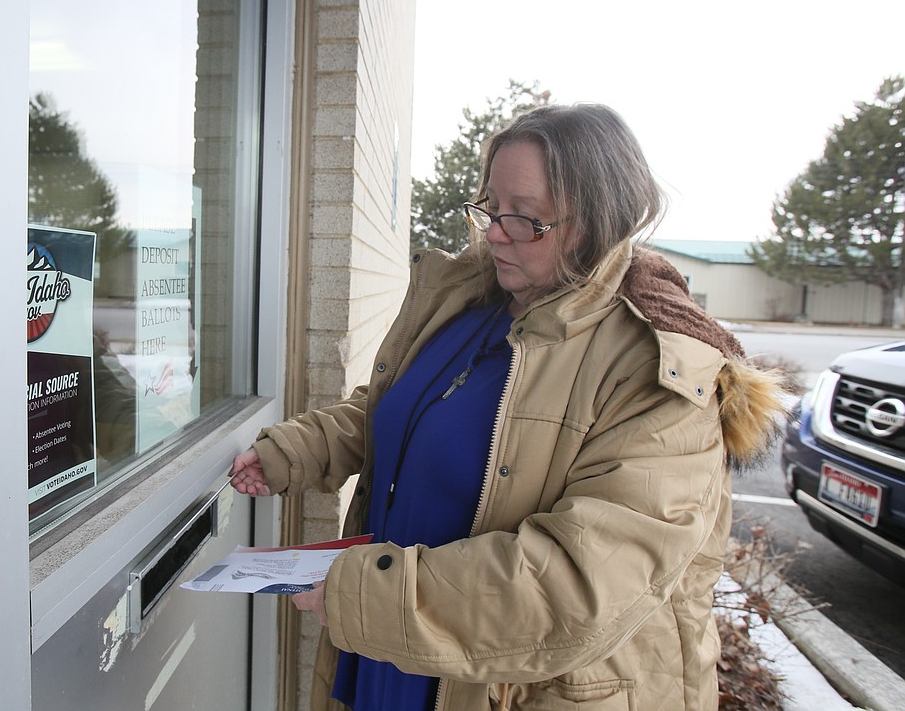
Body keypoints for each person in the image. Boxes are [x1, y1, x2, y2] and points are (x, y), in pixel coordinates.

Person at [230, 103, 788, 710]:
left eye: (526, 219)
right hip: (394, 652)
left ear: (597, 223)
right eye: (490, 207)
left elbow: (579, 584)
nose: (494, 232)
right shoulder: (473, 300)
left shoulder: (658, 373)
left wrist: (368, 596)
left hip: (510, 683)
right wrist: (300, 448)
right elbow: (401, 407)